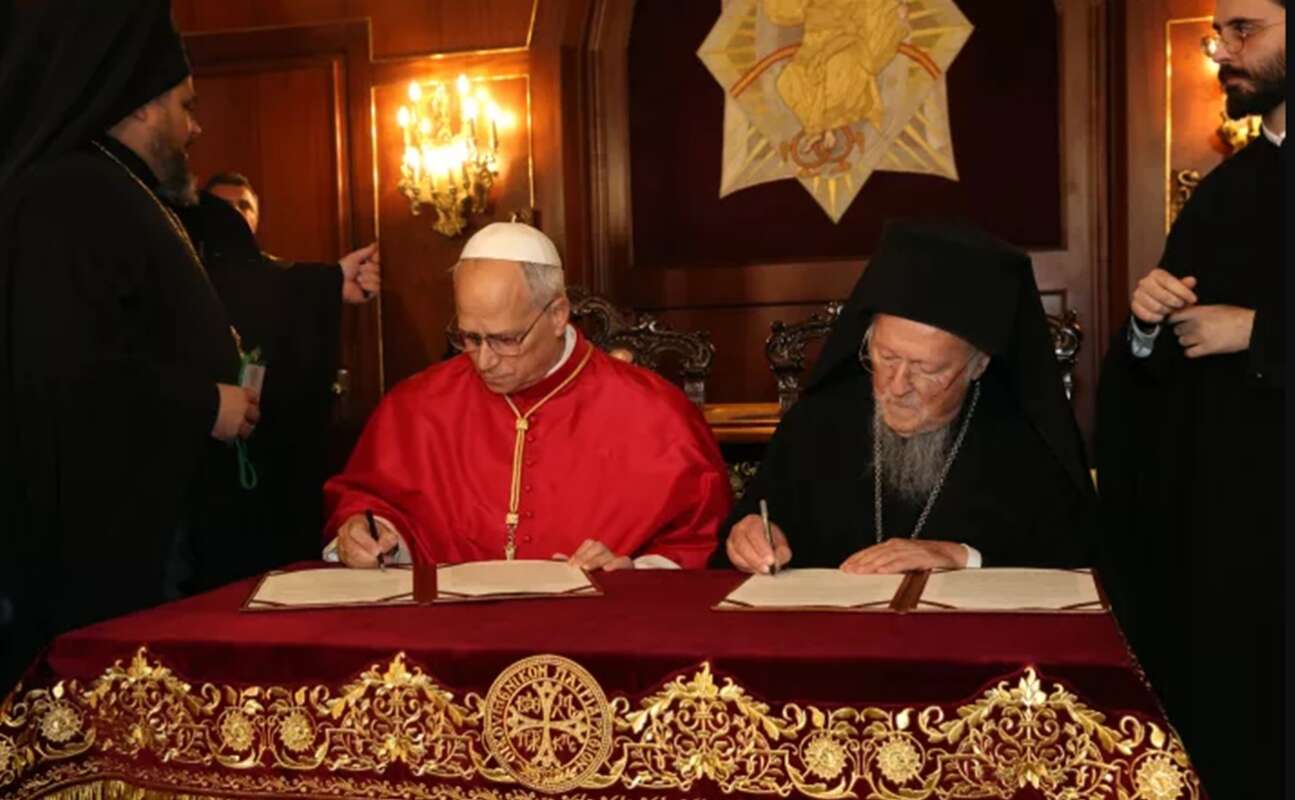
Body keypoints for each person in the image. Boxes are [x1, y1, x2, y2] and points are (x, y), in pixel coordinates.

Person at [0, 1, 257, 693]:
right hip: (103, 555)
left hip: (154, 528)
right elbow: (63, 373)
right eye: (186, 106)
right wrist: (204, 404)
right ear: (142, 104)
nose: (196, 127)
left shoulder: (117, 187)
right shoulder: (67, 195)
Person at [1096, 0, 1284, 794]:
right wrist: (1147, 324)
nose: (1222, 51)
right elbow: (1162, 375)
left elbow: (1242, 333)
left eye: (1244, 30)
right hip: (1232, 539)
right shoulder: (1224, 189)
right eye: (1217, 34)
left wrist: (1262, 333)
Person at [323, 222, 730, 570]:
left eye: (505, 339)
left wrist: (635, 572)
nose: (484, 360)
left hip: (593, 631)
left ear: (557, 315)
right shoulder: (416, 406)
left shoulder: (654, 412)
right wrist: (368, 535)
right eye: (469, 337)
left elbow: (698, 539)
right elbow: (368, 503)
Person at [714, 221, 1096, 574]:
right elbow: (757, 522)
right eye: (886, 357)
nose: (897, 386)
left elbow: (1075, 556)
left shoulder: (1025, 438)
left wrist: (963, 557)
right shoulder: (816, 422)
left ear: (978, 364)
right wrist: (749, 536)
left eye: (926, 369)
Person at [169, 172, 380, 588]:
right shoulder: (183, 269)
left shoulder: (283, 276)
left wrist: (333, 282)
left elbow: (291, 291)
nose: (233, 214)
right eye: (224, 207)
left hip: (270, 470)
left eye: (242, 206)